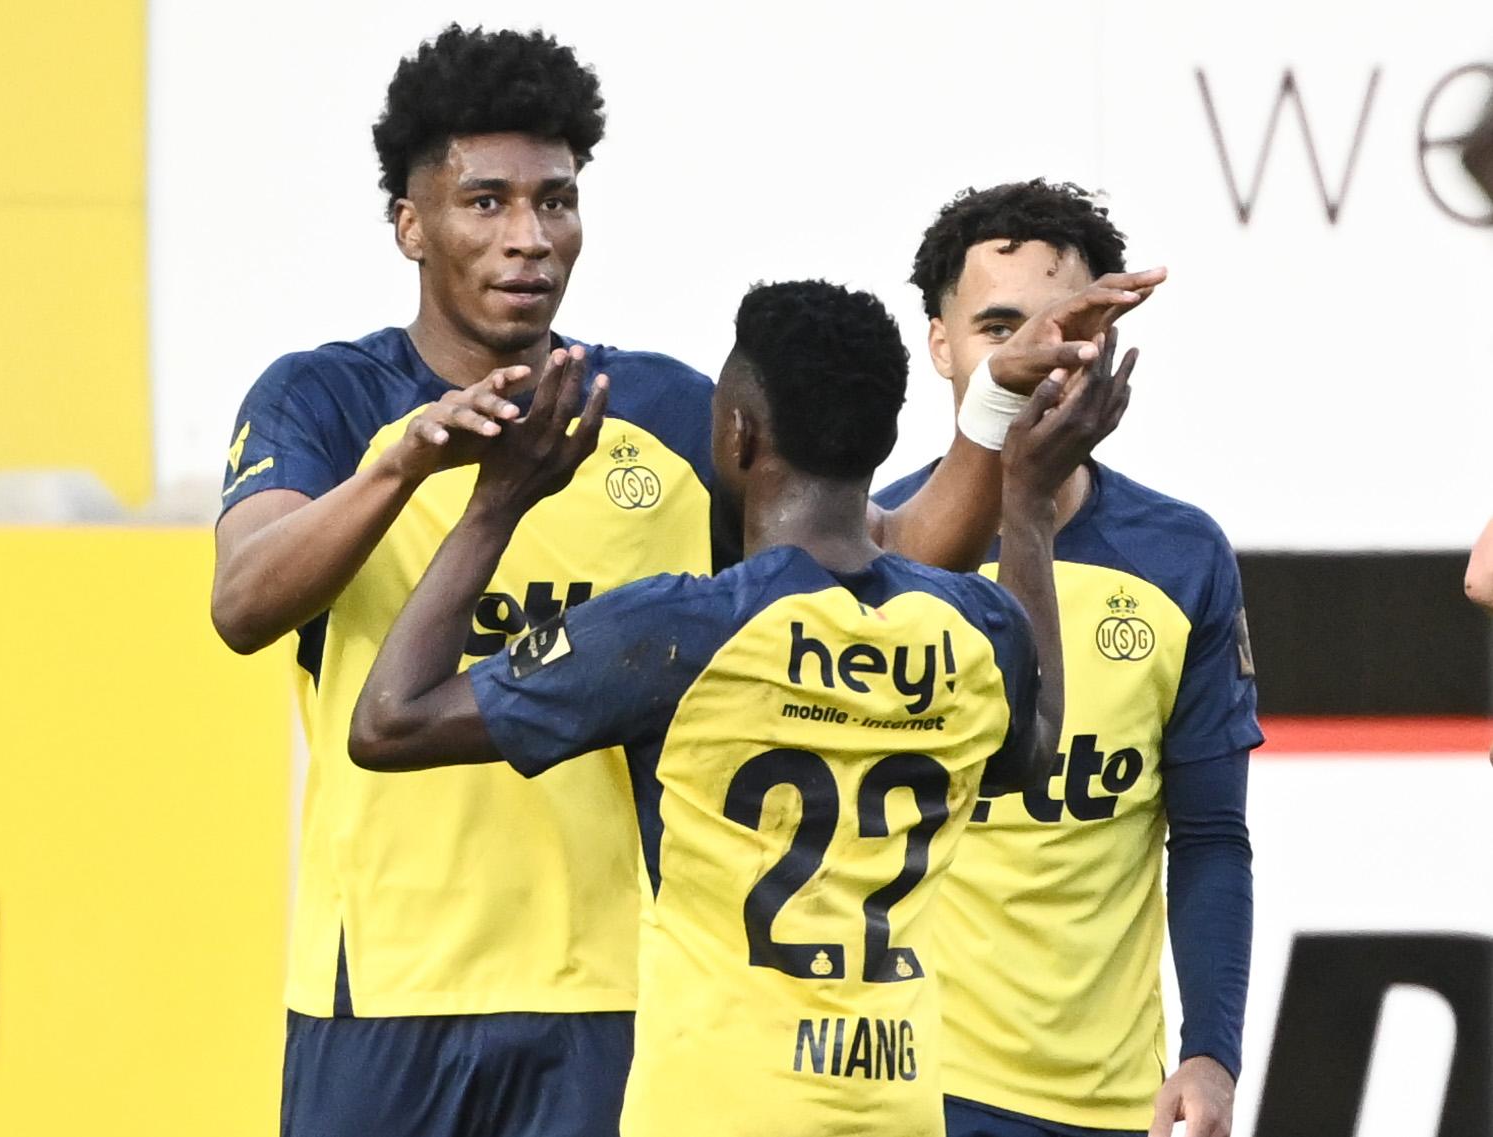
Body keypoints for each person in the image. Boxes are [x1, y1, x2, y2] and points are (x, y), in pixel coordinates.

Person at [209, 26, 1160, 1137]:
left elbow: (887, 556)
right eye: (486, 202)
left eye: (556, 201)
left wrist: (994, 404)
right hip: (379, 985)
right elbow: (244, 604)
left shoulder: (657, 410)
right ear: (410, 223)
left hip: (610, 992)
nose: (529, 237)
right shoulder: (326, 400)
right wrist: (405, 464)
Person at [349, 279, 1133, 1136]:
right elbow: (1035, 752)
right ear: (881, 440)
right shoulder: (972, 625)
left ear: (737, 434)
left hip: (715, 1107)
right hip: (895, 1107)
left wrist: (497, 502)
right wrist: (1027, 507)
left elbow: (389, 719)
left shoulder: (680, 628)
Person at [872, 180, 1261, 1137]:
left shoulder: (1180, 557)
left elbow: (1208, 833)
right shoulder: (878, 549)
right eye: (999, 327)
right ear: (939, 345)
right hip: (910, 1088)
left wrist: (1210, 1052)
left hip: (1110, 1101)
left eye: (1066, 326)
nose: (1036, 357)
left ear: (1106, 341)